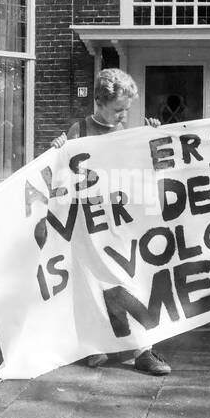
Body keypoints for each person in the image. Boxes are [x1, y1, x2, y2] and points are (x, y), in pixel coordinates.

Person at [51, 67, 170, 376]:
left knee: (130, 279)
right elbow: (59, 178)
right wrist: (56, 152)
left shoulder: (130, 133)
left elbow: (153, 171)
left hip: (121, 223)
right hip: (89, 225)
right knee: (92, 283)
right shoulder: (79, 131)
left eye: (127, 110)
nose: (123, 116)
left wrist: (153, 140)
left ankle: (143, 349)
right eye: (118, 110)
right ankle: (96, 344)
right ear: (100, 103)